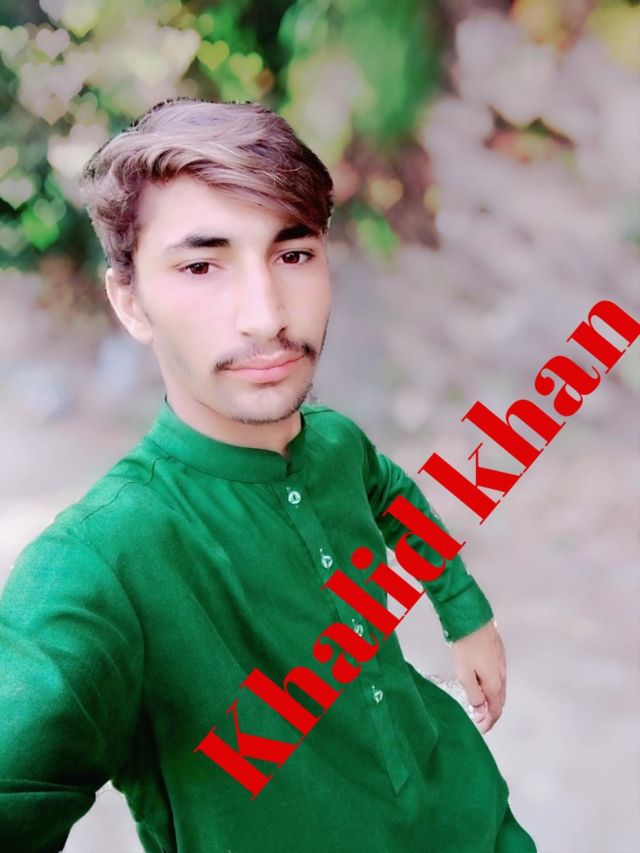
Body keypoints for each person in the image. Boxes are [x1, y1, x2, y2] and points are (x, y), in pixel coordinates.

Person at [0, 97, 537, 852]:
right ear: (131, 301)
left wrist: (466, 614)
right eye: (201, 265)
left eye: (292, 254)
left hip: (476, 816)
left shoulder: (335, 440)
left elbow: (393, 497)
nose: (266, 315)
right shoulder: (97, 562)